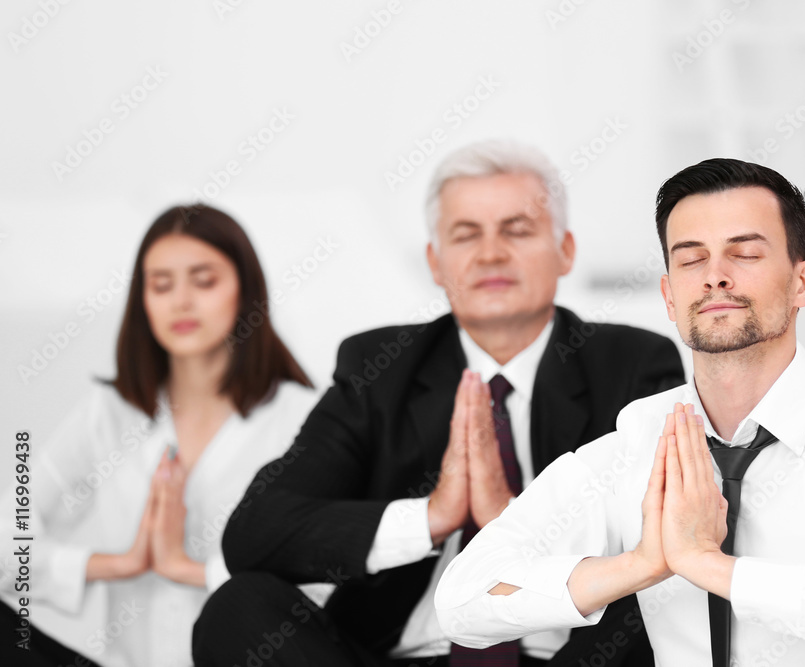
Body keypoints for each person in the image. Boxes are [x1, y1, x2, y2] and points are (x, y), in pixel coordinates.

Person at [435, 158, 805, 666]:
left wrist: (712, 568)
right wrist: (642, 564)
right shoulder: (636, 442)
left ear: (802, 283)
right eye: (692, 258)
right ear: (670, 297)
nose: (715, 275)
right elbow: (462, 600)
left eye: (744, 254)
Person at [193, 140, 686, 666]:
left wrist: (516, 525)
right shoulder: (378, 366)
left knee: (669, 590)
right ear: (435, 260)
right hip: (400, 655)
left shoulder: (632, 362)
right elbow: (254, 535)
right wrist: (432, 516)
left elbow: (664, 547)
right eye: (465, 234)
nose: (491, 253)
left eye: (517, 230)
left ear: (565, 250)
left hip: (563, 655)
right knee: (238, 609)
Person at [0, 205, 316, 667]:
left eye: (204, 281)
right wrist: (117, 563)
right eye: (161, 285)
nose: (180, 302)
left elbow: (324, 586)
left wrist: (188, 570)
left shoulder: (301, 418)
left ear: (246, 290)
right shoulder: (108, 412)